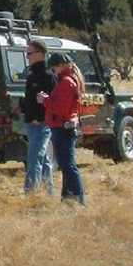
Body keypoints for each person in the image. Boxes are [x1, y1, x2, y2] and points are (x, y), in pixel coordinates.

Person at [37, 52, 86, 205]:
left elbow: (60, 108)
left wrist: (45, 100)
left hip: (62, 127)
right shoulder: (70, 80)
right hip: (65, 126)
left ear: (59, 66)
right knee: (66, 165)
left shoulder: (65, 82)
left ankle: (77, 198)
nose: (53, 71)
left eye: (53, 68)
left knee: (68, 165)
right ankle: (68, 197)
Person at [21, 39, 56, 195]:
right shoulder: (31, 74)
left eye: (30, 53)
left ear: (40, 54)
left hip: (42, 124)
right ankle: (48, 191)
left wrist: (40, 117)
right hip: (31, 123)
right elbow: (29, 99)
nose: (27, 56)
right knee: (43, 159)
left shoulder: (48, 75)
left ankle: (31, 193)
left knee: (34, 158)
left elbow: (53, 101)